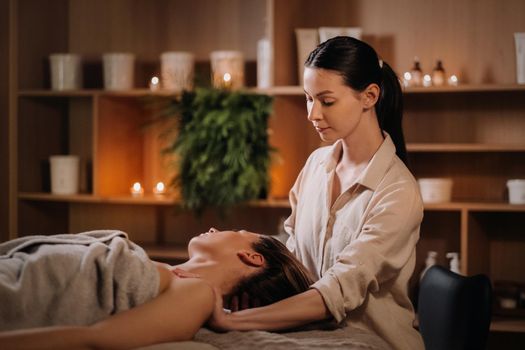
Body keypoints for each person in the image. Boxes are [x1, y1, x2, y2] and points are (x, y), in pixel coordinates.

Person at [208, 36, 425, 350]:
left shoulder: (397, 192)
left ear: (369, 96)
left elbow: (337, 290)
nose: (312, 113)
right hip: (311, 337)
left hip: (372, 343)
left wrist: (231, 321)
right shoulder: (316, 165)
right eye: (309, 98)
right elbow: (293, 255)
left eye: (327, 100)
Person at [0, 228, 313, 349]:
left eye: (237, 231)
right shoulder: (162, 271)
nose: (218, 228)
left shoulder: (197, 294)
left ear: (252, 257)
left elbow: (94, 339)